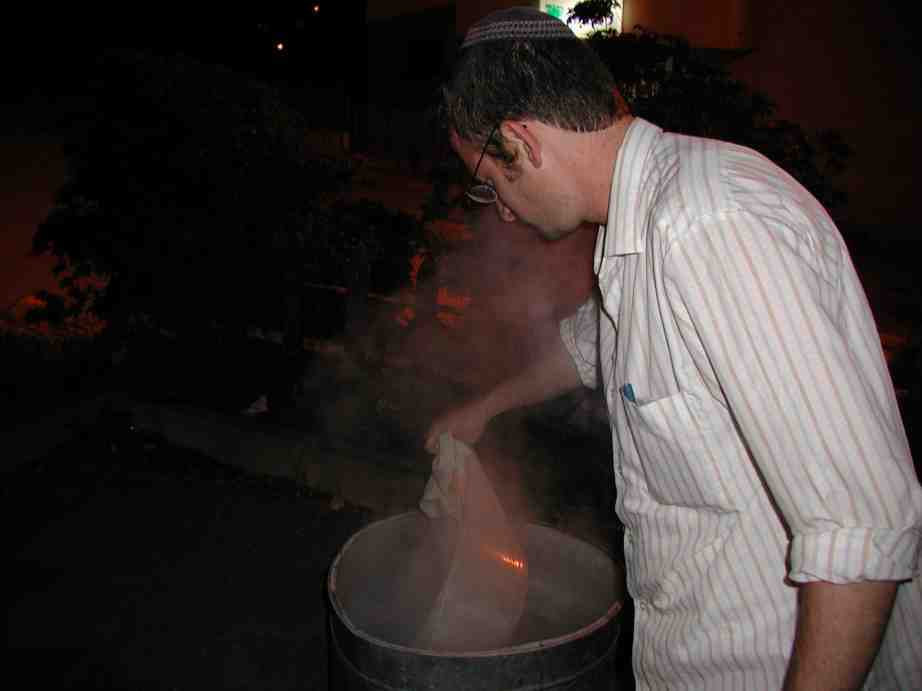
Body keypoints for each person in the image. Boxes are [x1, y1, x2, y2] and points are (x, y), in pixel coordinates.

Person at [425, 7, 922, 690]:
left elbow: (860, 529)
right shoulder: (636, 228)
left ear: (523, 141)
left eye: (488, 178)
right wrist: (484, 407)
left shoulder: (708, 224)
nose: (500, 209)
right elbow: (591, 347)